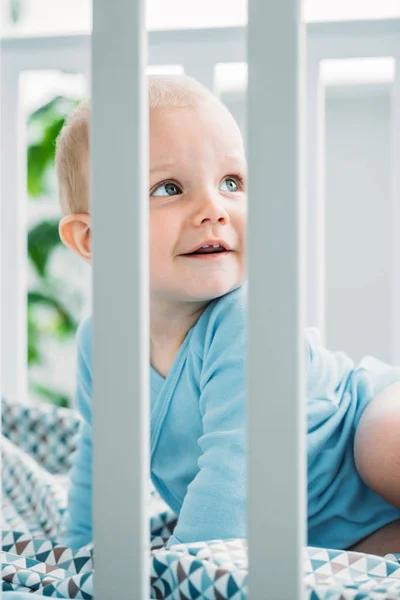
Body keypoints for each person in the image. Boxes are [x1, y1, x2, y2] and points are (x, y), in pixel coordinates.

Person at [56, 73, 400, 554]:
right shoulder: (103, 343)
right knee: (346, 572)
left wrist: (189, 570)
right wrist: (79, 559)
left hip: (366, 426)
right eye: (168, 188)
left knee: (385, 443)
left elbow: (236, 463)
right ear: (93, 240)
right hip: (334, 530)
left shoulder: (248, 320)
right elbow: (103, 466)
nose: (213, 209)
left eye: (231, 182)